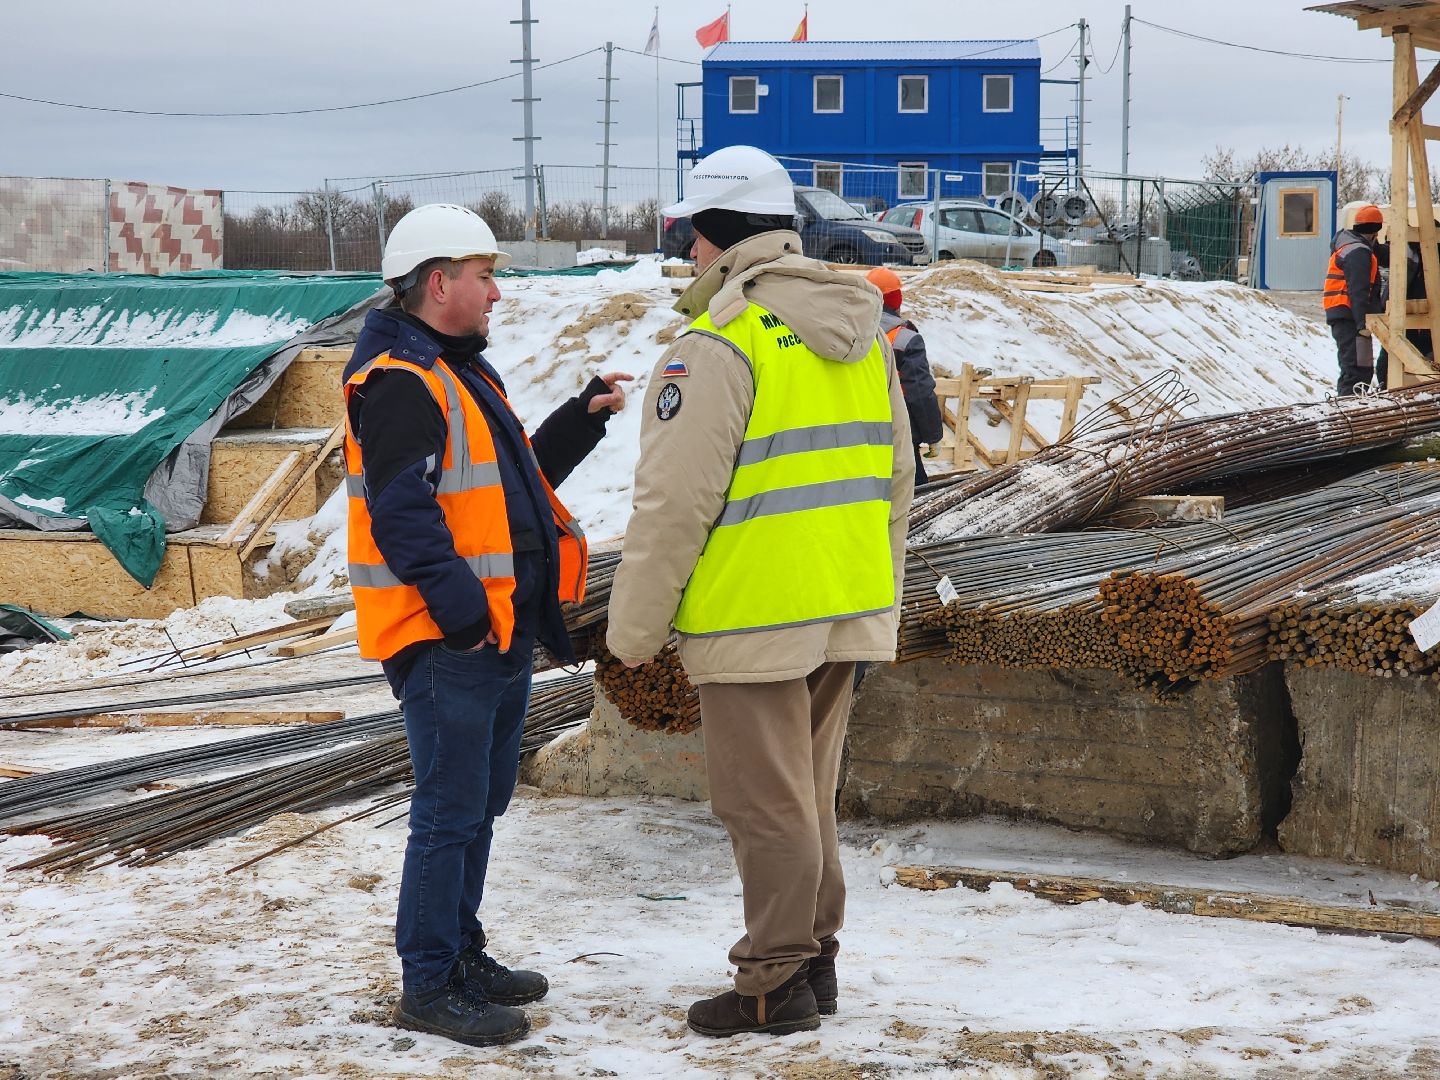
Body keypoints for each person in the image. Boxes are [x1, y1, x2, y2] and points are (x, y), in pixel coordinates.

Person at [605, 146, 914, 1038]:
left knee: (761, 802)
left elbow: (672, 507)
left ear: (710, 237)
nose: (689, 257)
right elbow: (898, 478)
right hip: (841, 604)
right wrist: (875, 591)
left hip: (751, 615)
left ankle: (774, 984)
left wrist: (632, 630)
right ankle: (814, 963)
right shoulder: (860, 333)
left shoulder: (719, 344)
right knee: (806, 795)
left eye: (690, 238)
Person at [343, 203, 632, 1047]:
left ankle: (460, 954)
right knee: (448, 811)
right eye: (485, 277)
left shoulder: (461, 373)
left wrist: (581, 418)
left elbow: (512, 482)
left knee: (477, 806)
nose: (498, 294)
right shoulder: (402, 384)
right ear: (440, 284)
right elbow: (404, 519)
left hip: (494, 634)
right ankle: (429, 985)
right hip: (449, 640)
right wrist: (467, 619)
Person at [866, 266, 944, 481]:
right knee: (914, 493)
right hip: (898, 430)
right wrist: (933, 435)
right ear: (895, 299)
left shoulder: (848, 331)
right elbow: (919, 391)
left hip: (857, 430)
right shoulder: (905, 338)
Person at [1324, 204, 1383, 396]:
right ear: (1376, 232)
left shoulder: (1352, 245)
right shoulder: (1359, 252)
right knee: (1356, 370)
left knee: (1361, 368)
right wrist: (1362, 324)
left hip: (1345, 314)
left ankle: (1351, 412)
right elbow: (1358, 290)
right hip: (1349, 316)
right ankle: (1348, 414)